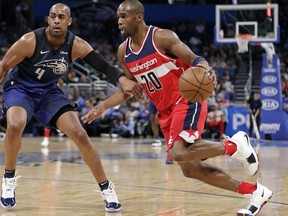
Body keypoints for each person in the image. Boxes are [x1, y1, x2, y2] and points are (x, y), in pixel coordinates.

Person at [82, 1, 273, 215]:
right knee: (191, 170)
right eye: (118, 16)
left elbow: (195, 59)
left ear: (138, 17)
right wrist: (103, 107)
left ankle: (235, 146)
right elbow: (129, 88)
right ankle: (256, 192)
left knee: (178, 152)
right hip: (165, 111)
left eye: (124, 16)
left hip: (186, 99)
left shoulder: (162, 37)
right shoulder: (123, 52)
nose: (119, 21)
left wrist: (205, 67)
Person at [0, 3, 143, 212]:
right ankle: (9, 179)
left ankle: (106, 188)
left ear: (69, 21)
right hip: (20, 88)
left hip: (48, 91)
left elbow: (102, 66)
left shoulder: (77, 44)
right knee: (15, 125)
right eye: (53, 16)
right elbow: (4, 66)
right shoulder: (30, 41)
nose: (56, 20)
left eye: (61, 17)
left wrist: (122, 79)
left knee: (80, 134)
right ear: (48, 19)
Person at [149, 100, 173, 164]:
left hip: (163, 97)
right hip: (153, 97)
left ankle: (170, 151)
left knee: (163, 118)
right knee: (152, 118)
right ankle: (156, 136)